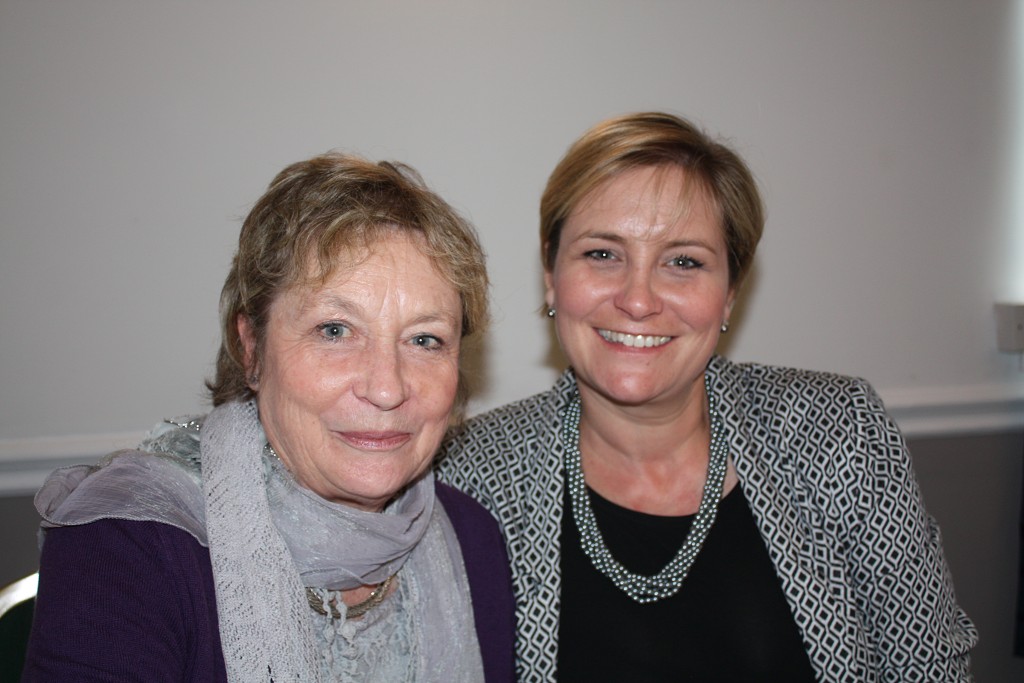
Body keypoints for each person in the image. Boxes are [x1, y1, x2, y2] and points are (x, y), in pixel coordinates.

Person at [436, 112, 977, 682]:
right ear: (551, 275)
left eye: (683, 262)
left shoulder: (836, 431)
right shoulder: (472, 473)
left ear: (730, 294)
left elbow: (929, 668)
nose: (638, 300)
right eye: (603, 254)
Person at [24, 153, 514, 682]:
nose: (387, 388)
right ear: (252, 349)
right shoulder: (129, 546)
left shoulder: (472, 539)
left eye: (424, 340)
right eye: (334, 330)